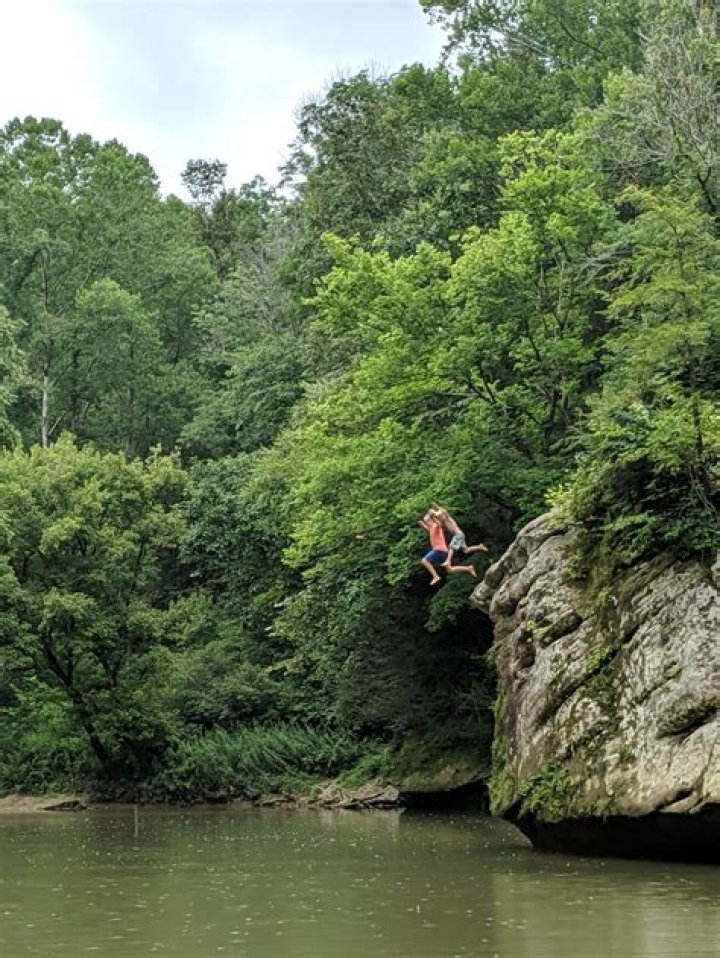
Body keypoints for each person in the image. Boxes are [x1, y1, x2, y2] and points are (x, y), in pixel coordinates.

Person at [418, 511, 477, 585]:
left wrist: (433, 516)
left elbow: (440, 523)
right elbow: (426, 528)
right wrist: (421, 523)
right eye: (426, 522)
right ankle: (468, 568)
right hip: (442, 552)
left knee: (424, 560)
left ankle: (436, 576)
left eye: (427, 521)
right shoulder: (431, 528)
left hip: (439, 550)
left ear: (431, 520)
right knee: (450, 570)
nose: (426, 523)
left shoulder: (436, 526)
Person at [430, 504, 488, 569]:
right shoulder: (443, 522)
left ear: (442, 515)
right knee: (466, 550)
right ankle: (480, 547)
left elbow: (445, 511)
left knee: (451, 547)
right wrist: (432, 517)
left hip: (458, 534)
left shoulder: (448, 518)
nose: (439, 518)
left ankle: (448, 561)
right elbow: (438, 522)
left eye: (438, 516)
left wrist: (437, 507)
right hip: (459, 534)